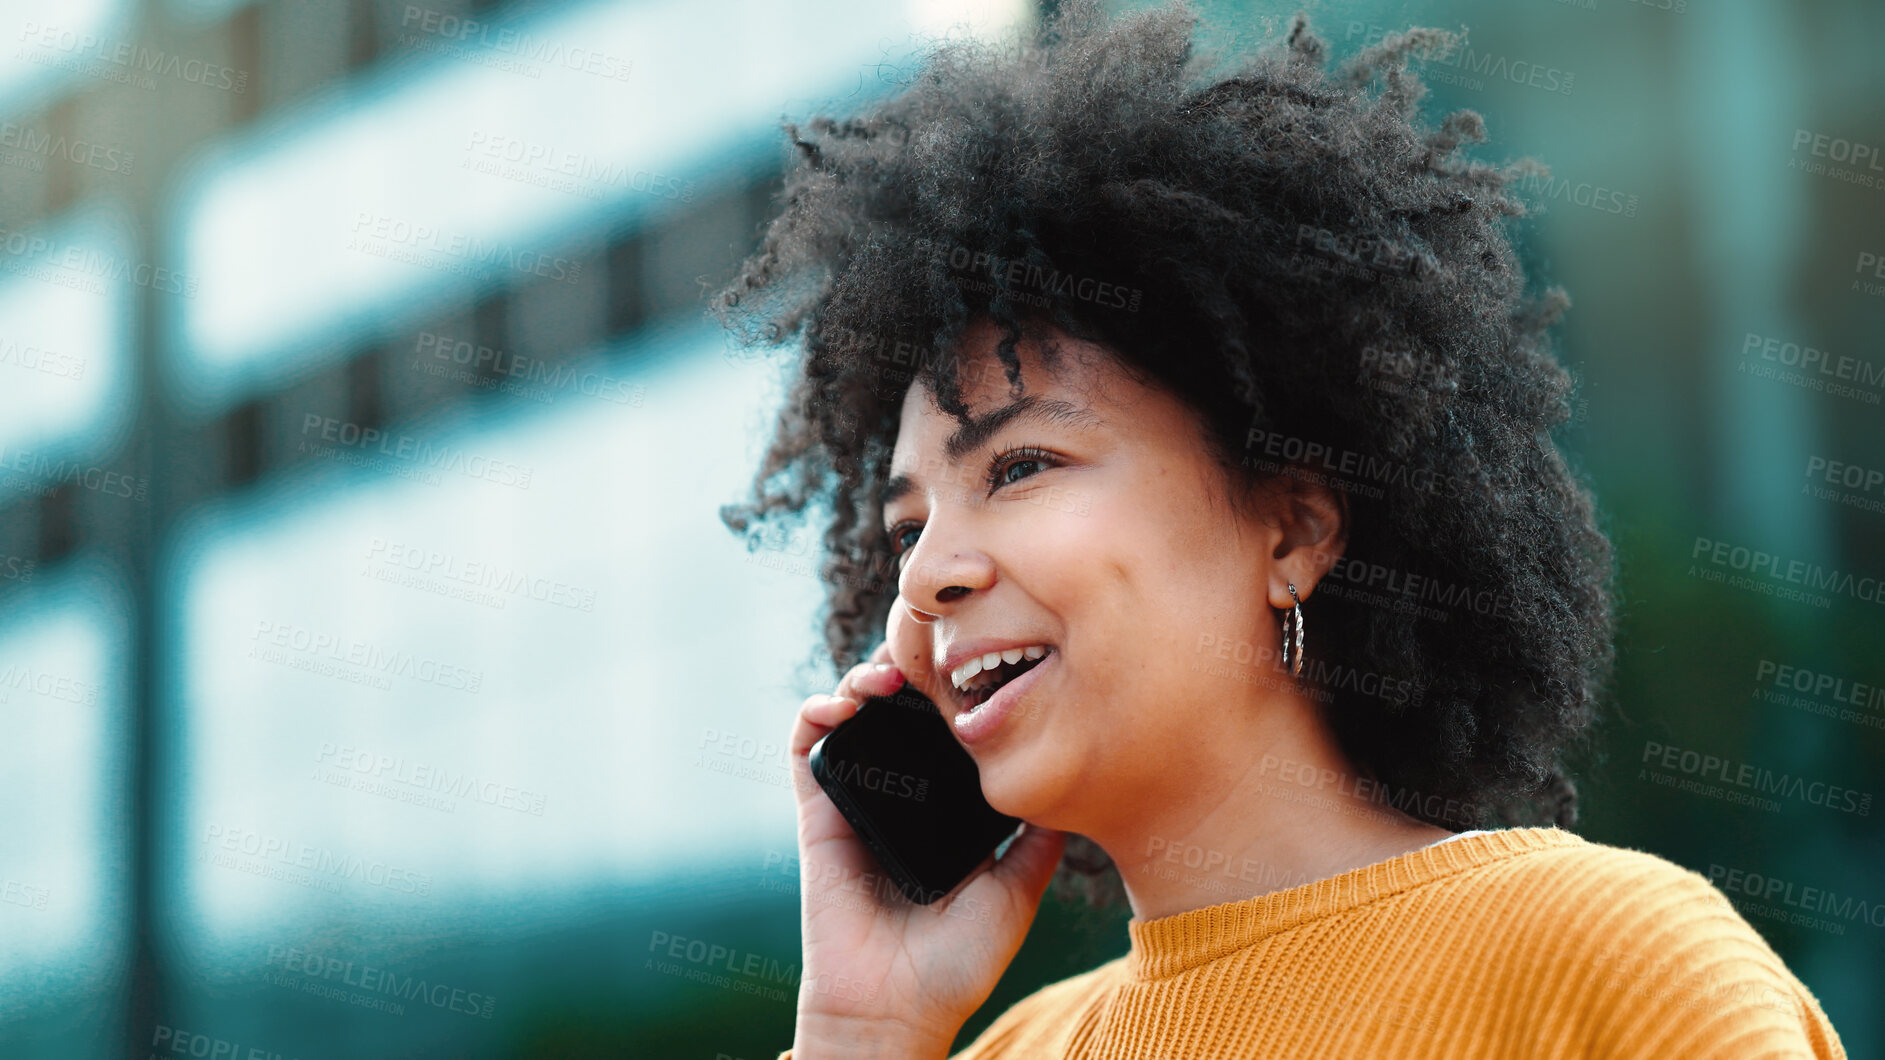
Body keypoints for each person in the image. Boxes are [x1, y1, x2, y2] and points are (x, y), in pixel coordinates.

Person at [714, 2, 1848, 1057]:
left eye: (1018, 465)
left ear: (1294, 529)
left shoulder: (1608, 959)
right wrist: (860, 1032)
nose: (929, 578)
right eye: (905, 525)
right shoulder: (1008, 1043)